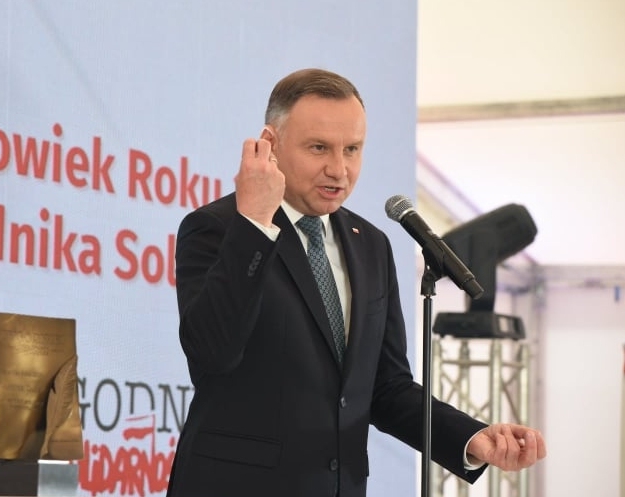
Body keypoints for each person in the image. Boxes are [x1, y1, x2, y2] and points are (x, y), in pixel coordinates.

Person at [166, 68, 546, 497]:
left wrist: (470, 438)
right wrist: (254, 221)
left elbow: (387, 386)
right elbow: (211, 353)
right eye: (318, 148)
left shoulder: (372, 245)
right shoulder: (219, 228)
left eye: (352, 149)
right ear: (269, 143)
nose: (339, 169)